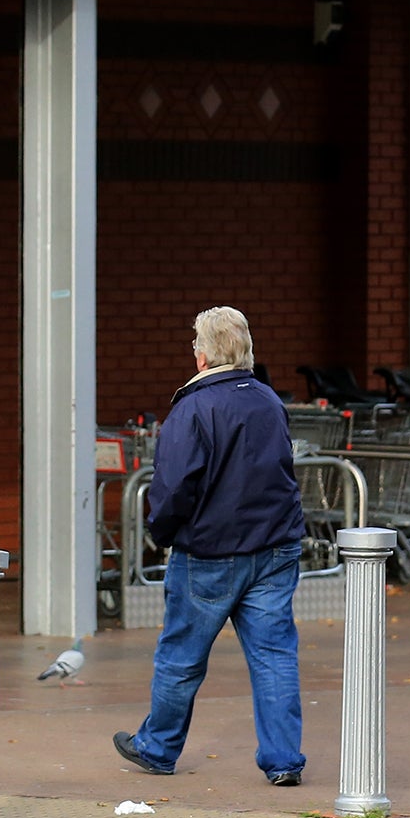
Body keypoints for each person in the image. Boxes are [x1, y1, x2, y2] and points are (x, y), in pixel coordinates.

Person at [114, 306, 308, 787]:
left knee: (181, 655)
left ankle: (158, 747)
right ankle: (283, 759)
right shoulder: (268, 400)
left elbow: (175, 486)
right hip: (275, 545)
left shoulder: (193, 408)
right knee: (274, 655)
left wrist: (161, 533)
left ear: (202, 355)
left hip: (209, 552)